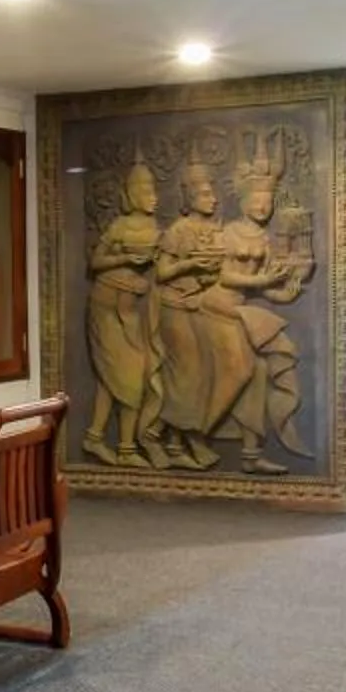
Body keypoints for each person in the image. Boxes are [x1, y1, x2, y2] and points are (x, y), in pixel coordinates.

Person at [147, 163, 254, 468]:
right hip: (174, 307)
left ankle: (175, 440)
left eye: (214, 193)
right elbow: (163, 272)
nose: (214, 199)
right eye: (206, 194)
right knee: (188, 375)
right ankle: (173, 437)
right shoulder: (178, 231)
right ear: (190, 196)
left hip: (201, 305)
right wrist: (190, 266)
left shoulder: (216, 230)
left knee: (208, 373)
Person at [214, 148, 314, 472]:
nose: (263, 206)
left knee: (258, 372)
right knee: (243, 369)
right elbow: (224, 275)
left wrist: (285, 294)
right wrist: (262, 279)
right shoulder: (228, 233)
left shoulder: (267, 239)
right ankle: (191, 432)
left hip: (239, 310)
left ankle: (251, 456)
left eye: (268, 201)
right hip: (215, 308)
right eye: (257, 200)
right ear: (241, 200)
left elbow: (265, 287)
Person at [81, 161, 162, 467]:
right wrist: (126, 257)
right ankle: (122, 446)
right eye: (148, 189)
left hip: (131, 310)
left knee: (116, 377)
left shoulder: (156, 229)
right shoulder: (119, 226)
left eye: (154, 188)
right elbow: (96, 262)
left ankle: (100, 439)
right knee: (126, 374)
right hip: (106, 307)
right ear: (133, 193)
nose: (154, 195)